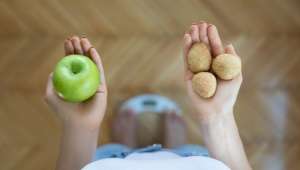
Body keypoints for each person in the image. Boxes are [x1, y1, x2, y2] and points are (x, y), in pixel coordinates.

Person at [45, 21, 252, 170]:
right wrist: (217, 117)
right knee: (182, 151)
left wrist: (81, 127)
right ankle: (173, 146)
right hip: (195, 160)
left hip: (110, 161)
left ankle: (124, 143)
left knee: (115, 150)